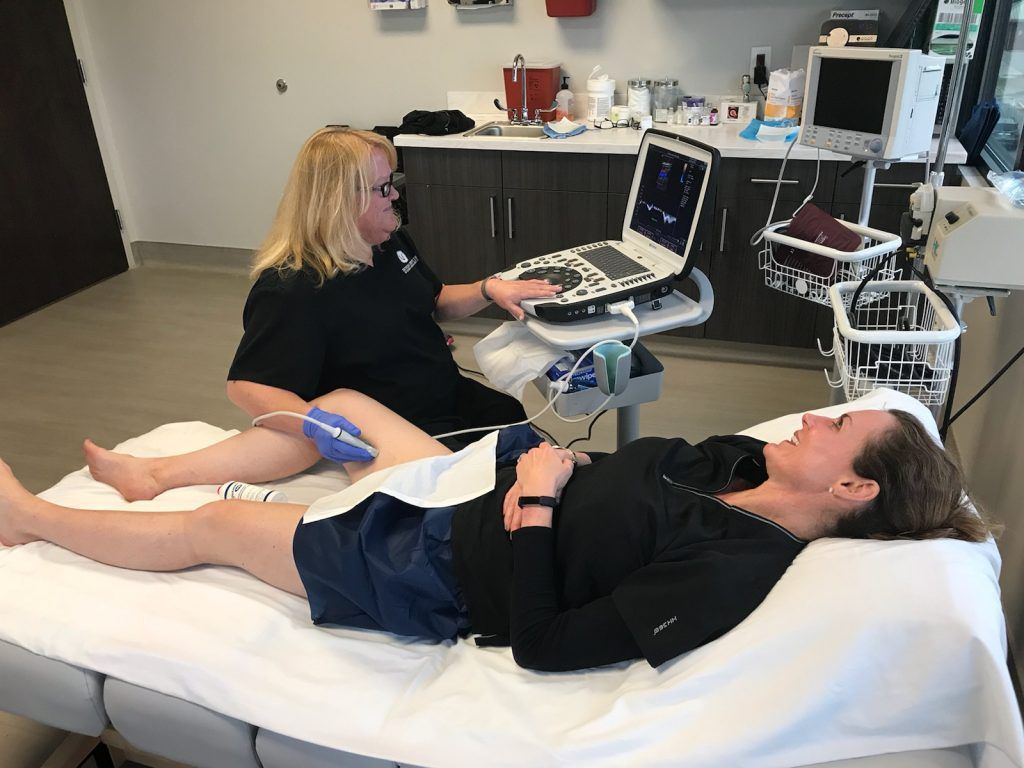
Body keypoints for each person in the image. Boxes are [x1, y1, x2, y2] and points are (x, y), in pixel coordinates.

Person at [0, 393, 995, 672]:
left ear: (854, 487)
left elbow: (548, 645)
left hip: (439, 564)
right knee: (335, 409)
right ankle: (149, 471)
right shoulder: (744, 461)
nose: (813, 419)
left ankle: (29, 519)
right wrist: (540, 464)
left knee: (216, 527)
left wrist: (542, 504)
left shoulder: (730, 571)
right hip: (484, 475)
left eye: (837, 428)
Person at [224, 126, 559, 462]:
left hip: (445, 395)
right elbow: (247, 386)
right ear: (340, 199)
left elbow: (435, 299)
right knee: (513, 479)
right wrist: (317, 426)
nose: (395, 196)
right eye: (383, 188)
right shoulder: (293, 288)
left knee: (513, 418)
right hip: (398, 428)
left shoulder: (387, 244)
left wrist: (488, 289)